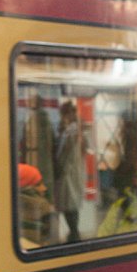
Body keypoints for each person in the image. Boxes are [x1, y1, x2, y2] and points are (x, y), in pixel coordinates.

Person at [53, 101, 84, 243]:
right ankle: (73, 233)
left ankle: (74, 234)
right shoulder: (70, 129)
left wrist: (61, 168)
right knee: (68, 204)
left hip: (68, 171)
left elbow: (67, 152)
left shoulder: (73, 130)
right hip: (68, 171)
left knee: (69, 204)